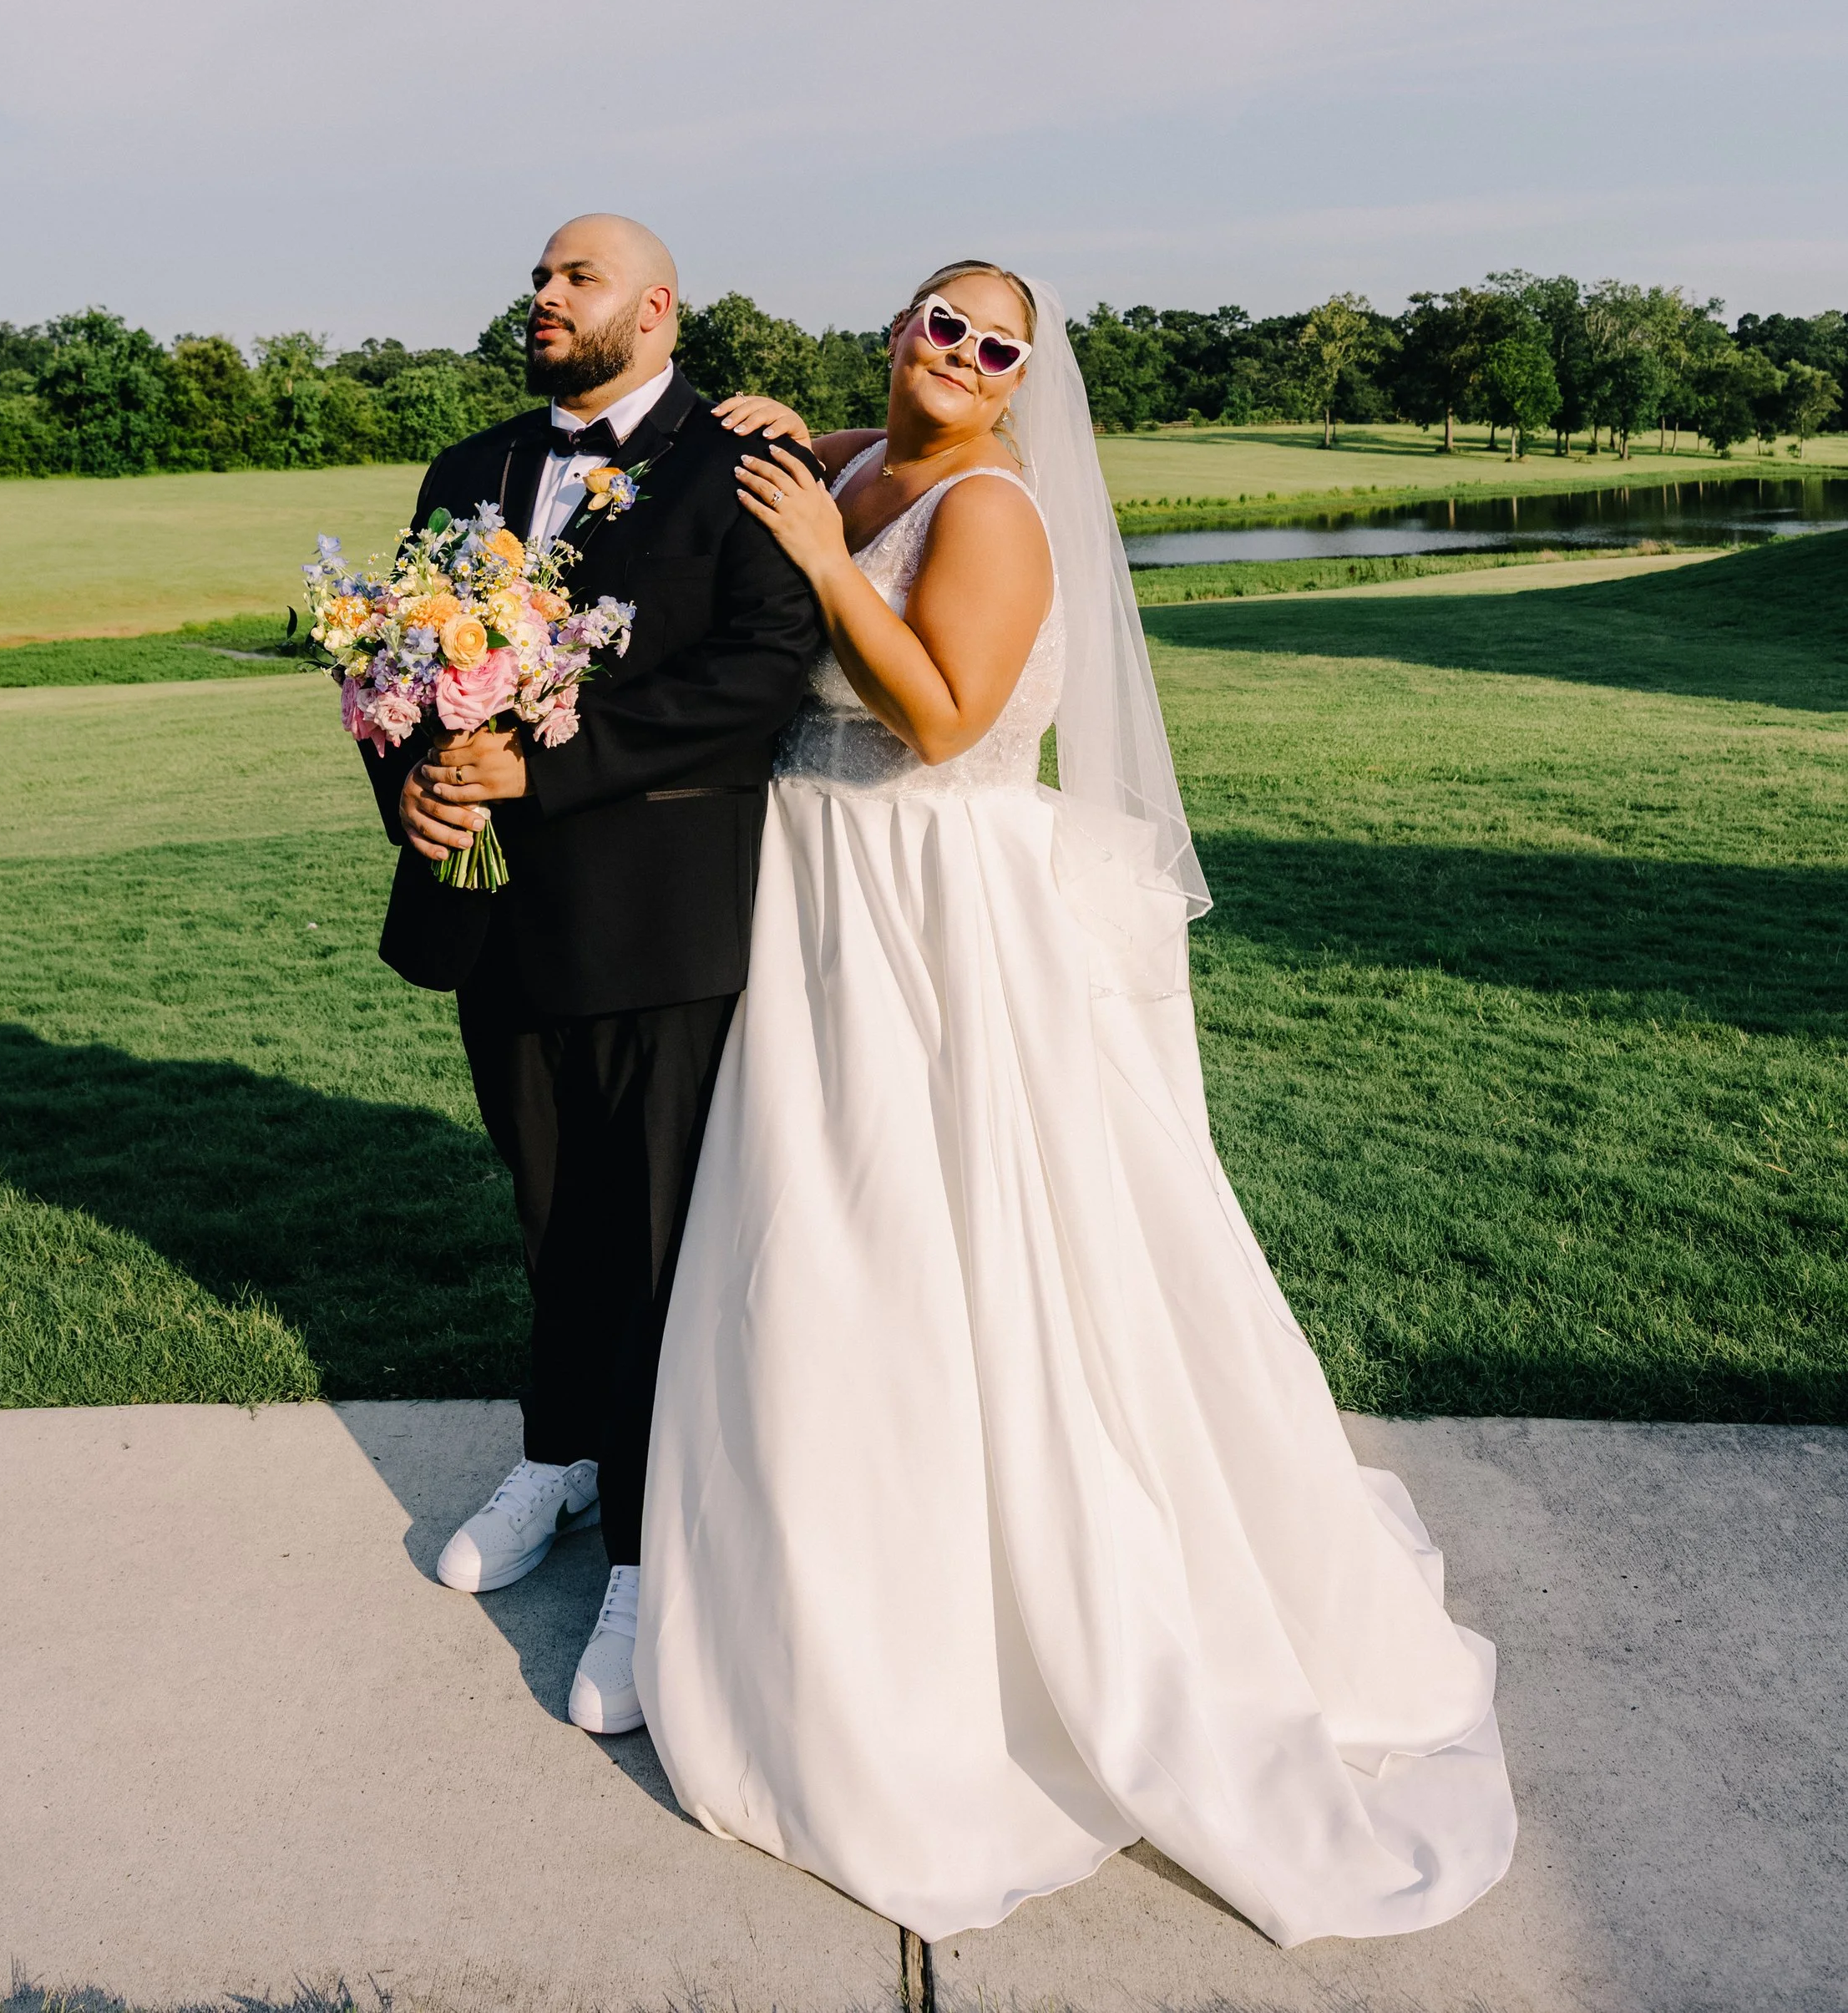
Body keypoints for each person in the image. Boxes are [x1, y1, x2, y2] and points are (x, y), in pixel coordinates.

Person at [634, 261, 1516, 1947]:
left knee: (945, 1229)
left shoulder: (992, 513)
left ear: (1023, 380)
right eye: (936, 322)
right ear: (895, 329)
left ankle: (1008, 1622)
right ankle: (831, 1581)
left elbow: (945, 711)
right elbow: (828, 443)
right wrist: (780, 436)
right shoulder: (861, 457)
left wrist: (824, 568)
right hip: (817, 888)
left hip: (929, 900)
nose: (960, 353)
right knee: (823, 1235)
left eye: (996, 345)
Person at [363, 214, 822, 1736]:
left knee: (649, 1235)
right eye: (540, 276)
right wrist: (426, 791)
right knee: (547, 1202)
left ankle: (643, 1547)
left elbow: (759, 674)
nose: (544, 295)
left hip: (659, 923)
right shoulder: (467, 470)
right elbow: (393, 668)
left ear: (658, 304)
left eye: (577, 278)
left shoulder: (744, 463)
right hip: (496, 919)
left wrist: (538, 771)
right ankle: (556, 1458)